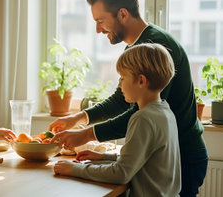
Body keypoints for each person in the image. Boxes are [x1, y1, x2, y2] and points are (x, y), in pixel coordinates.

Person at [49, 0, 208, 196]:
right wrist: (79, 118)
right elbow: (120, 99)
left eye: (100, 21)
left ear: (123, 14)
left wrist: (85, 135)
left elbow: (139, 113)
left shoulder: (154, 47)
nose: (97, 30)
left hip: (182, 154)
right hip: (169, 154)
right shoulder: (137, 46)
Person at [54, 43, 181, 196]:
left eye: (122, 78)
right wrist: (103, 156)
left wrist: (75, 169)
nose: (119, 84)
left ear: (141, 81)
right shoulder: (165, 112)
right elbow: (140, 157)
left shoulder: (143, 118)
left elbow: (121, 174)